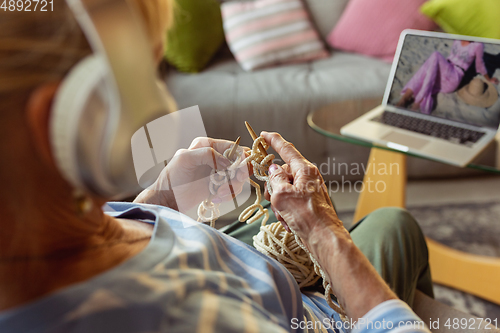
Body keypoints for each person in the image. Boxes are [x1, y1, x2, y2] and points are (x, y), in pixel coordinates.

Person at [0, 1, 434, 332]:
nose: (157, 99)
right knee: (395, 225)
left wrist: (158, 202)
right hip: (304, 316)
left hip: (231, 261)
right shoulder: (193, 318)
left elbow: (83, 233)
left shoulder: (40, 237)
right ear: (67, 120)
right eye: (147, 76)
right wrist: (324, 234)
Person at [397, 40, 499, 114]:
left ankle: (417, 101)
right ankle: (404, 99)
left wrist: (489, 79)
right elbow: (450, 56)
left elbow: (480, 65)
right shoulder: (458, 37)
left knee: (435, 55)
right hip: (447, 68)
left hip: (454, 77)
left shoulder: (478, 45)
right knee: (428, 67)